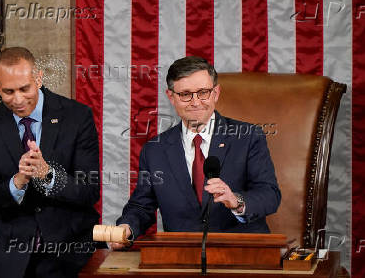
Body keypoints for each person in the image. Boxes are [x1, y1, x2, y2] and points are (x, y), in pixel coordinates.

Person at [111, 56, 281, 249]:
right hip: (181, 257)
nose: (195, 102)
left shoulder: (249, 137)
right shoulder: (154, 150)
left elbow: (270, 195)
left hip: (241, 254)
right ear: (171, 97)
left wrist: (236, 201)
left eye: (203, 93)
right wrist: (127, 228)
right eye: (185, 94)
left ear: (216, 93)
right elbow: (141, 206)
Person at [0, 47, 101, 277]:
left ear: (39, 78)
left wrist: (49, 175)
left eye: (25, 88)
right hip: (14, 259)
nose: (18, 99)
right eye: (8, 91)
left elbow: (89, 192)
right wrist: (18, 181)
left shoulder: (77, 117)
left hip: (70, 256)